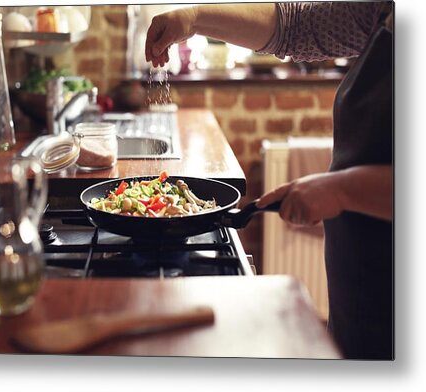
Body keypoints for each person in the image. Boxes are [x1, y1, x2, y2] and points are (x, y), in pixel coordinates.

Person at [145, 2, 393, 360]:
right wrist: (194, 18)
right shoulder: (386, 8)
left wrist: (341, 189)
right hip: (360, 288)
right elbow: (296, 27)